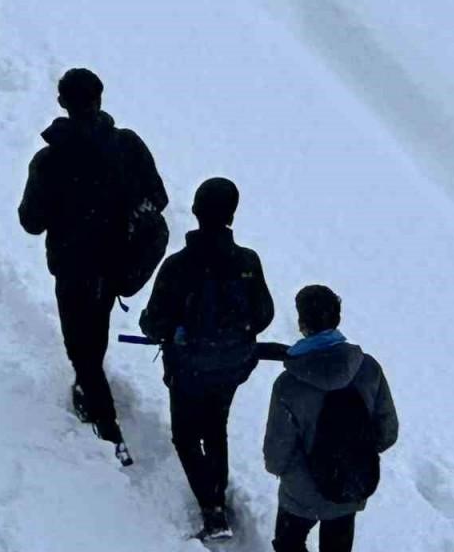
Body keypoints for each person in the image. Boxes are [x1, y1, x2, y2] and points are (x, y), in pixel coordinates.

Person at [19, 68, 167, 466]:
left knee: (79, 347)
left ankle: (107, 425)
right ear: (100, 99)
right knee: (94, 332)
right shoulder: (128, 146)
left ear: (62, 103)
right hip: (117, 265)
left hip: (74, 267)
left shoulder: (49, 161)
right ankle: (91, 388)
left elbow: (31, 221)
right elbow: (159, 198)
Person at [140, 177, 274, 541]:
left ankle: (212, 509)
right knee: (216, 427)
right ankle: (217, 492)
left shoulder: (178, 265)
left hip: (188, 369)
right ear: (231, 215)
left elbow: (153, 322)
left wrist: (172, 331)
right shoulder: (248, 261)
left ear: (196, 211)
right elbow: (263, 315)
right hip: (232, 366)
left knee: (185, 436)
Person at [263, 285, 399, 552]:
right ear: (337, 318)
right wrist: (354, 452)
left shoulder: (289, 384)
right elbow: (387, 431)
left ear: (302, 324)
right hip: (349, 482)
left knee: (288, 544)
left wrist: (287, 472)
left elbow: (277, 449)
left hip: (300, 490)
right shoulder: (368, 368)